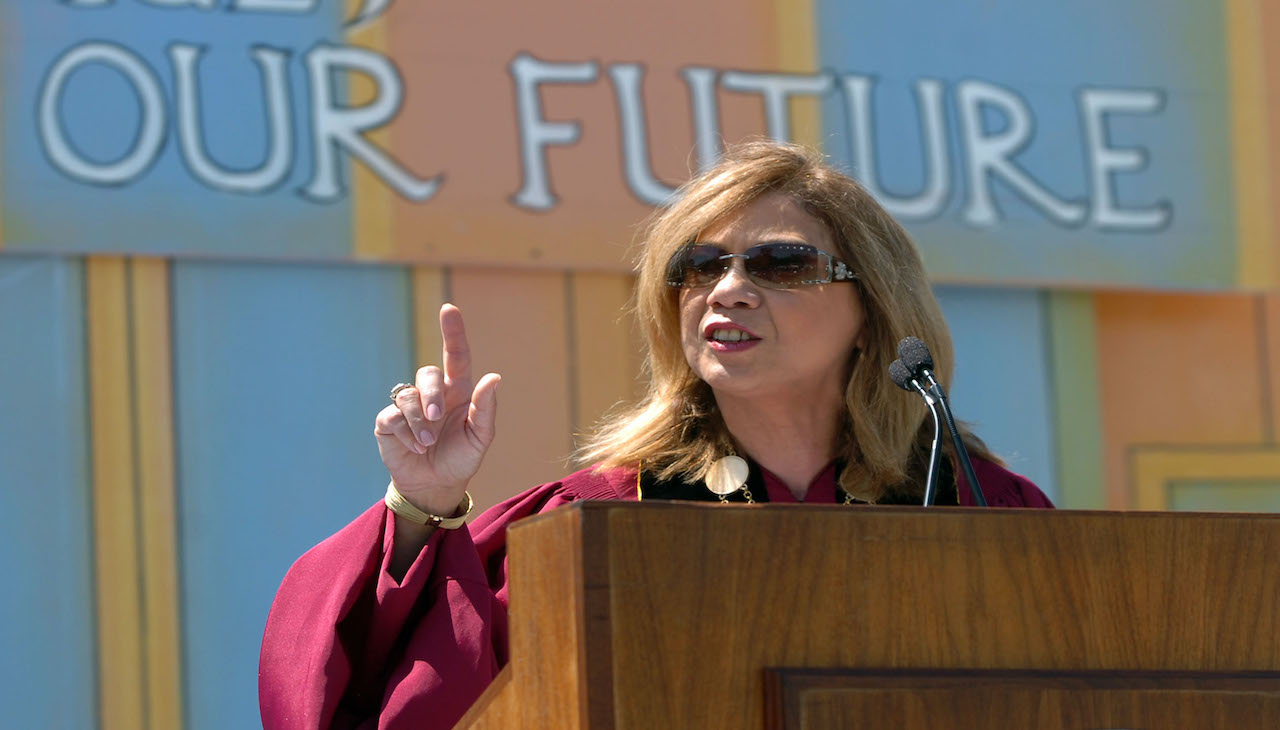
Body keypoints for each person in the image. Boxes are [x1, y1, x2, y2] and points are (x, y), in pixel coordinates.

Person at [258, 140, 1053, 730]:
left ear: (872, 308)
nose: (728, 289)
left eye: (780, 263)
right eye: (699, 266)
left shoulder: (976, 509)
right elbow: (391, 703)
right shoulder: (597, 519)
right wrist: (420, 506)